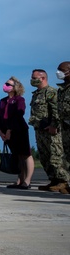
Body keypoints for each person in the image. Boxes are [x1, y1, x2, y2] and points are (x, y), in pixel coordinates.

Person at [27, 69, 67, 193]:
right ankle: (53, 180)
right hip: (40, 130)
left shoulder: (50, 92)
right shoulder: (37, 94)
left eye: (34, 77)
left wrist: (54, 126)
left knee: (55, 156)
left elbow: (56, 110)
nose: (32, 80)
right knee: (45, 157)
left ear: (43, 78)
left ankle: (63, 181)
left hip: (51, 131)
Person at [0, 77, 34, 189]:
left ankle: (27, 181)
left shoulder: (19, 100)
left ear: (15, 87)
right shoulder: (3, 101)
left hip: (18, 130)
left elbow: (19, 114)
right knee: (17, 156)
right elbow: (0, 116)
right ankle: (20, 179)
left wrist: (10, 130)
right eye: (5, 83)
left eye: (8, 84)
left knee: (25, 154)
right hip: (5, 130)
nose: (5, 85)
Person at [57, 61, 70, 190]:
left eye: (61, 70)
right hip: (64, 128)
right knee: (65, 157)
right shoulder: (62, 89)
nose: (58, 72)